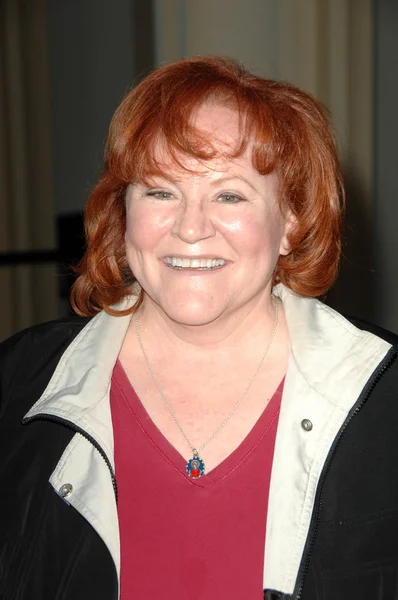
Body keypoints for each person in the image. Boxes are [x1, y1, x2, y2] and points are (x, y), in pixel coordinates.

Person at [0, 56, 397, 600]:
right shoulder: (16, 383)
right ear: (124, 213)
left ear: (291, 223)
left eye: (229, 195)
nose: (190, 227)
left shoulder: (385, 399)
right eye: (160, 191)